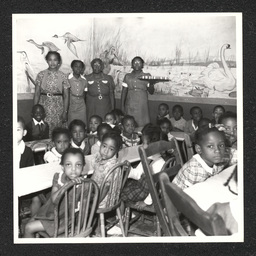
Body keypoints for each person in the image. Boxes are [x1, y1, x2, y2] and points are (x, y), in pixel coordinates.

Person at [23, 148, 86, 238]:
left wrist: (79, 227)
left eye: (78, 165)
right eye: (68, 164)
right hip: (50, 212)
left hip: (63, 220)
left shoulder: (84, 184)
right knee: (28, 223)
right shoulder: (58, 177)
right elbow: (54, 199)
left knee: (28, 227)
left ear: (83, 167)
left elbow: (84, 209)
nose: (73, 169)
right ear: (62, 167)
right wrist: (67, 185)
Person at [121, 124, 168, 209]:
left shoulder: (160, 163)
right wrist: (129, 169)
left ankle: (122, 216)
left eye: (143, 143)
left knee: (119, 194)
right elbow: (137, 174)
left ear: (152, 145)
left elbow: (156, 188)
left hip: (150, 194)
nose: (141, 146)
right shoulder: (148, 158)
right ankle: (128, 213)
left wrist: (147, 202)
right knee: (121, 188)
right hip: (142, 188)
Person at [33, 51, 70, 137]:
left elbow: (66, 96)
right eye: (50, 60)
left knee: (57, 130)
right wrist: (34, 110)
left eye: (55, 60)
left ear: (59, 62)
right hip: (44, 106)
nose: (52, 62)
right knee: (44, 129)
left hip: (58, 106)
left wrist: (65, 112)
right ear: (46, 61)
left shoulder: (63, 76)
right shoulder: (41, 74)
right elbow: (37, 93)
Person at [91, 132, 123, 208]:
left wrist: (96, 203)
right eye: (104, 146)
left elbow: (106, 188)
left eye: (111, 149)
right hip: (98, 191)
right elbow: (94, 169)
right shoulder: (104, 159)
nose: (106, 151)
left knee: (80, 204)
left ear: (116, 151)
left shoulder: (111, 166)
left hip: (105, 200)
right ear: (100, 144)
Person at [121, 56, 155, 127]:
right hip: (130, 103)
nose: (137, 64)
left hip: (142, 104)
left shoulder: (147, 76)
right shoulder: (127, 76)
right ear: (131, 65)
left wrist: (151, 83)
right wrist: (122, 106)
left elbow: (151, 92)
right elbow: (124, 91)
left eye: (139, 63)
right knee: (129, 123)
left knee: (142, 123)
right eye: (134, 63)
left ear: (142, 65)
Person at [85, 58, 115, 124]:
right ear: (92, 66)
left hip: (105, 107)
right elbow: (84, 95)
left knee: (105, 124)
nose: (96, 67)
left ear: (102, 66)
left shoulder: (108, 78)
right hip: (92, 107)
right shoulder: (86, 78)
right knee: (93, 123)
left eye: (99, 64)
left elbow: (111, 94)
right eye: (94, 64)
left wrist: (112, 109)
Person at [68, 60, 87, 125]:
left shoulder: (84, 80)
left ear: (82, 68)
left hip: (81, 105)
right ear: (72, 67)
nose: (78, 68)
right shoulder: (67, 78)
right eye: (76, 66)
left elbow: (85, 93)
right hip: (71, 103)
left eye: (80, 67)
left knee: (82, 122)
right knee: (71, 122)